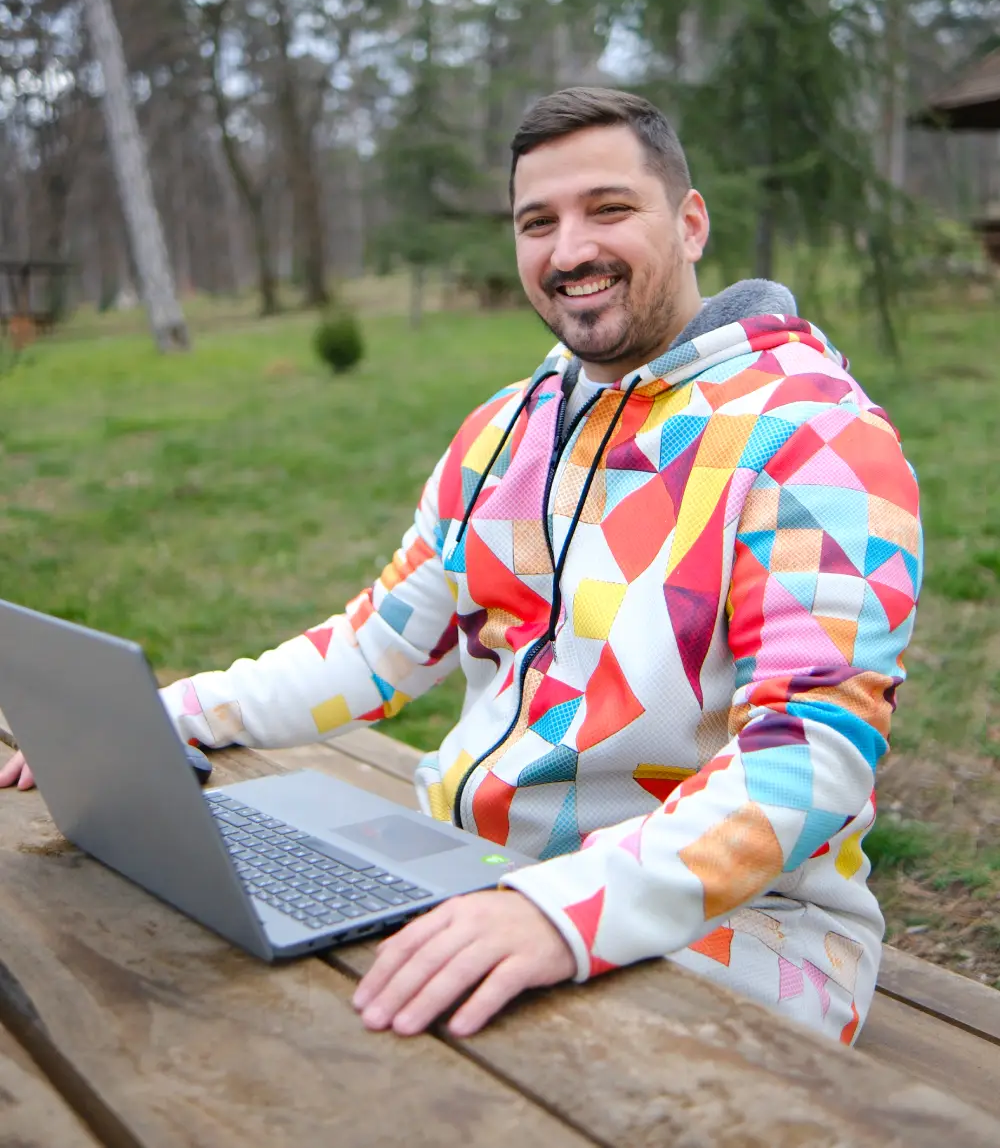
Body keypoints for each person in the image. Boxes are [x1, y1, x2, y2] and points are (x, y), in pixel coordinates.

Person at [1, 87, 922, 1047]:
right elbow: (375, 650)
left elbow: (811, 752)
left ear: (690, 224)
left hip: (744, 929)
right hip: (475, 876)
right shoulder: (505, 431)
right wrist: (175, 713)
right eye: (538, 222)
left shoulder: (816, 437)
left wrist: (562, 913)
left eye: (609, 208)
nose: (570, 250)